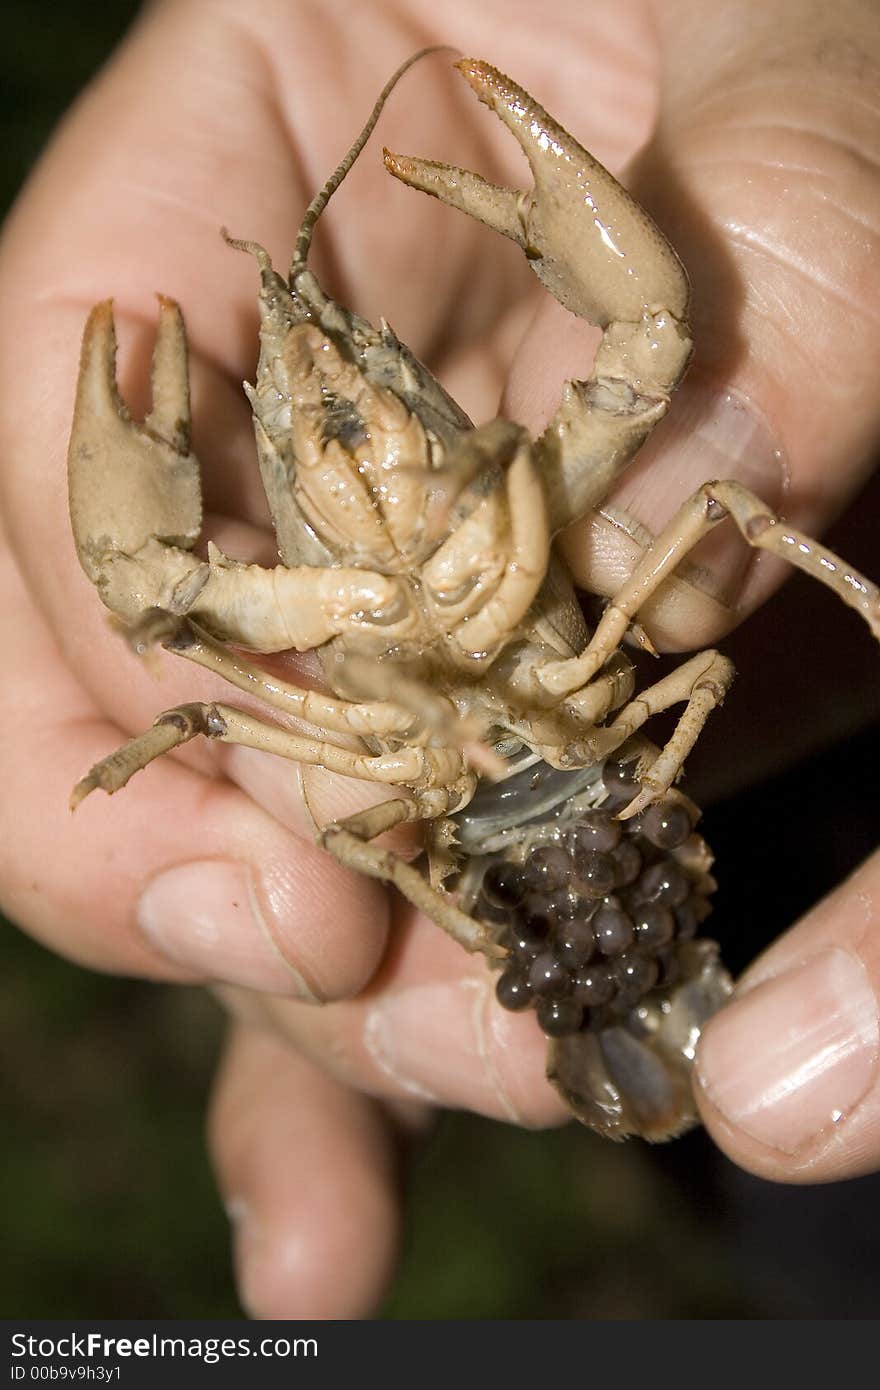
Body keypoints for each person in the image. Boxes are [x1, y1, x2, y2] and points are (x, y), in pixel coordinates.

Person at [0, 0, 878, 1318]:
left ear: (410, 377)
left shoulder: (525, 494)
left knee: (707, 496)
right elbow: (172, 630)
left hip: (616, 783)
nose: (332, 399)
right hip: (539, 854)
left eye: (353, 369)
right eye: (299, 406)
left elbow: (661, 379)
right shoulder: (304, 596)